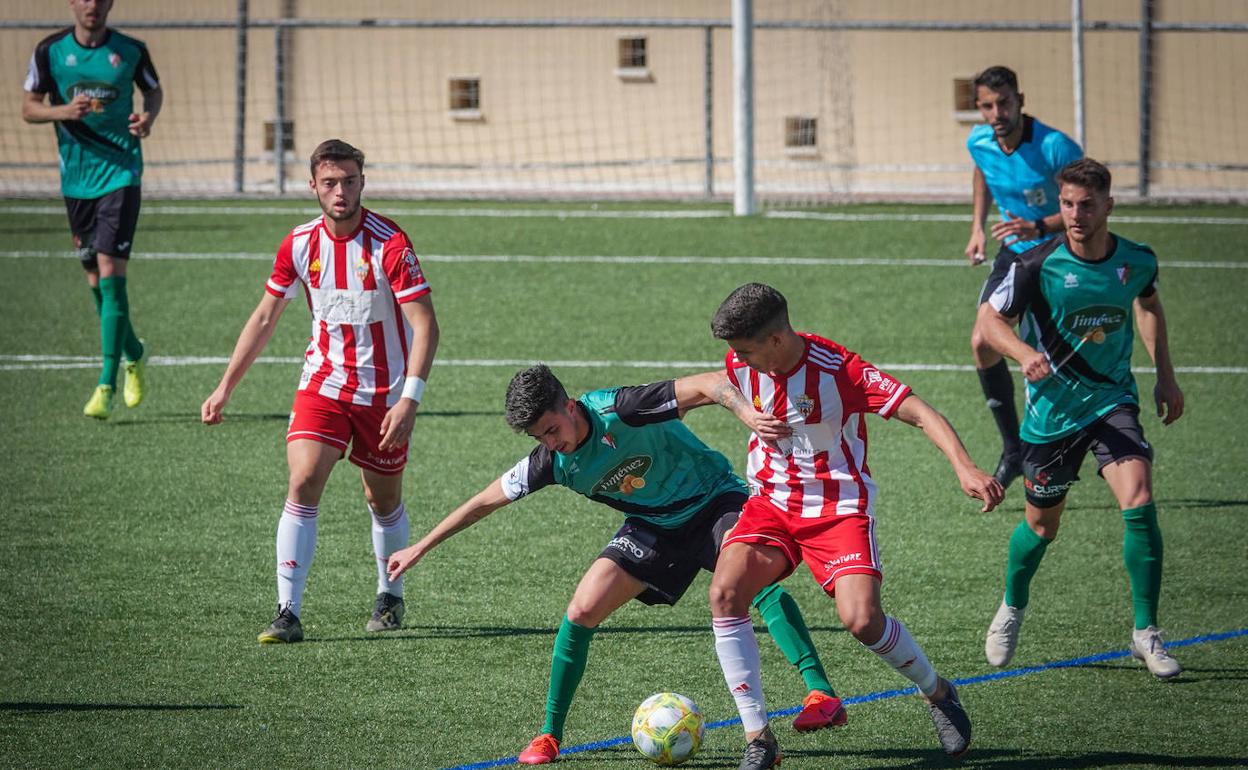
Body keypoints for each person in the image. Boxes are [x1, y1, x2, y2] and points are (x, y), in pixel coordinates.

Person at [386, 364, 848, 766]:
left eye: (552, 429)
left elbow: (709, 383)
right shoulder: (552, 461)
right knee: (581, 610)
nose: (551, 443)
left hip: (714, 501)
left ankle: (821, 693)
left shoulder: (625, 408)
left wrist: (747, 414)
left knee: (749, 584)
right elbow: (483, 502)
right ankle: (550, 734)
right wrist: (421, 546)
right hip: (653, 525)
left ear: (569, 406)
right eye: (540, 437)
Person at [704, 283, 1004, 769]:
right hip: (771, 502)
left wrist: (965, 467)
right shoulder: (742, 364)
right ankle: (759, 738)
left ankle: (937, 691)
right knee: (725, 594)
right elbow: (714, 385)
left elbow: (920, 412)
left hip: (837, 507)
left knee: (862, 620)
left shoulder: (839, 370)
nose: (737, 360)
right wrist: (743, 412)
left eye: (745, 350)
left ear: (776, 339)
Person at [202, 139, 439, 644]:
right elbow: (264, 317)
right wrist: (225, 387)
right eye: (330, 182)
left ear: (362, 182)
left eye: (349, 181)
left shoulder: (391, 244)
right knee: (304, 478)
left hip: (384, 394)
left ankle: (389, 594)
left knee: (382, 500)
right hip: (323, 384)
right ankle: (287, 612)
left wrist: (409, 399)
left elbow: (426, 325)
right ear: (312, 185)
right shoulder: (298, 244)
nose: (340, 191)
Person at [978, 158, 1184, 680]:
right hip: (1052, 414)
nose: (1075, 214)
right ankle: (1012, 605)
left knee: (1139, 498)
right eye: (1067, 204)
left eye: (1086, 205)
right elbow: (989, 322)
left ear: (1108, 206)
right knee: (1041, 527)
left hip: (1112, 401)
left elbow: (1148, 305)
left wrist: (1165, 375)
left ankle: (1146, 632)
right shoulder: (1035, 264)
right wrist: (1023, 353)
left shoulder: (1137, 260)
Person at [22, 0, 163, 419]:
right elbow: (28, 107)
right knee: (94, 280)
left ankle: (106, 384)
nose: (92, 5)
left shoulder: (131, 51)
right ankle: (135, 353)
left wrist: (148, 119)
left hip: (121, 173)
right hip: (76, 180)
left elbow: (153, 91)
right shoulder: (50, 51)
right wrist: (62, 111)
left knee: (110, 272)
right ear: (72, 2)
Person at [964, 65, 1083, 488]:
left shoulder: (1055, 147)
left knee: (1069, 358)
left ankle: (1088, 441)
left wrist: (1040, 226)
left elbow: (1087, 203)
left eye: (1004, 103)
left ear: (1021, 101)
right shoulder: (979, 141)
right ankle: (1014, 451)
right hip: (1015, 253)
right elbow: (983, 171)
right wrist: (978, 227)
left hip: (1060, 255)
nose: (997, 113)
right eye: (987, 106)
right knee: (982, 342)